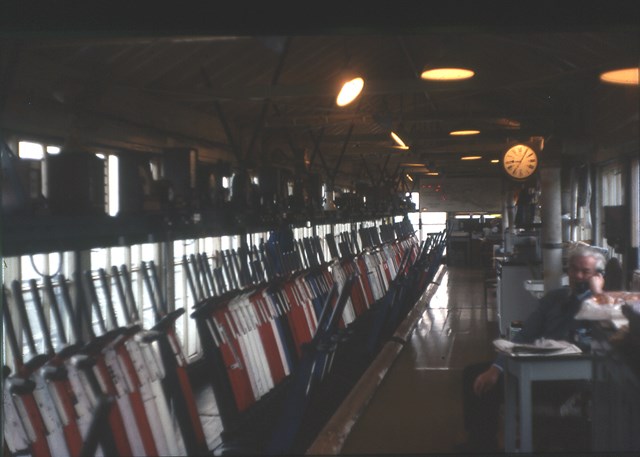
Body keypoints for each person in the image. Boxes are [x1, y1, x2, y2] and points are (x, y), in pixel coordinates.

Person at [458, 244, 606, 452]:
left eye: (586, 272)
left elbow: (612, 332)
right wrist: (496, 368)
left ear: (597, 275)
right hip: (538, 367)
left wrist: (597, 294)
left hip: (576, 379)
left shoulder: (604, 305)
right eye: (574, 269)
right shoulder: (554, 298)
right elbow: (526, 333)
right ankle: (481, 444)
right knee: (473, 373)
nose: (578, 275)